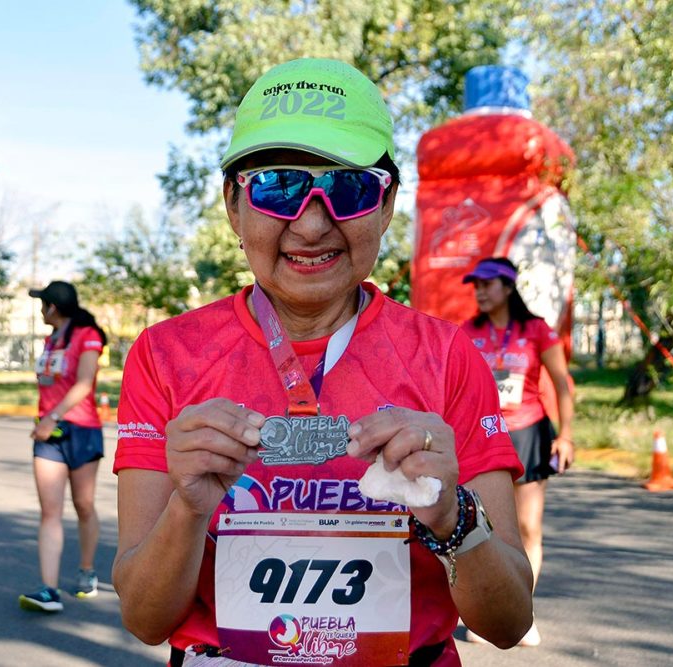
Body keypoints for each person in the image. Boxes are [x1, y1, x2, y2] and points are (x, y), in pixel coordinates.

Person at [112, 58, 534, 667]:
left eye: (349, 187)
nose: (311, 224)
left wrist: (452, 516)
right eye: (277, 187)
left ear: (386, 208)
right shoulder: (165, 354)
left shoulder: (446, 356)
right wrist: (187, 507)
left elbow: (509, 622)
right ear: (234, 206)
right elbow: (145, 620)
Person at [459, 257, 575, 647]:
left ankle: (522, 609)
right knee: (479, 525)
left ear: (508, 287)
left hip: (528, 432)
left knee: (527, 527)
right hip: (482, 437)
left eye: (487, 284)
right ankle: (485, 612)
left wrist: (567, 435)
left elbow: (561, 383)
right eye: (475, 284)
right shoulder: (466, 332)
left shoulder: (536, 330)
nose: (479, 291)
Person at [20, 280, 107, 613]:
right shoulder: (49, 341)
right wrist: (47, 421)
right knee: (50, 511)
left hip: (81, 430)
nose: (41, 309)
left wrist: (52, 417)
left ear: (52, 308)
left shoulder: (88, 336)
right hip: (49, 435)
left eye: (42, 304)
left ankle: (87, 571)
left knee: (84, 504)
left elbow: (85, 384)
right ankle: (49, 589)